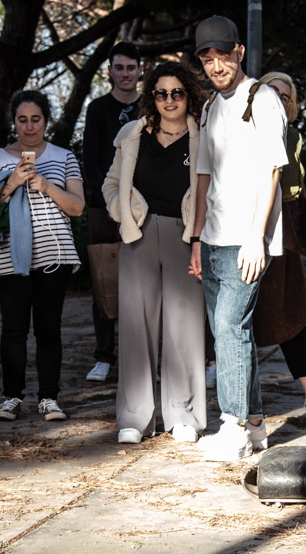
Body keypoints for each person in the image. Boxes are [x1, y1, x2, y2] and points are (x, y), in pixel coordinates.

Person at [189, 16, 288, 462]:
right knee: (229, 334)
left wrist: (256, 237)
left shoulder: (262, 99)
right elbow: (204, 177)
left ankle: (231, 425)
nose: (215, 64)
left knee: (230, 328)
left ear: (240, 52)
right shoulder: (210, 106)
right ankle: (255, 425)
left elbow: (272, 170)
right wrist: (195, 238)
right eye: (207, 58)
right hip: (212, 238)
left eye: (222, 55)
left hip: (246, 239)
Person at [103, 62, 207, 445]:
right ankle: (134, 417)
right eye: (161, 93)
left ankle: (185, 417)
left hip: (185, 237)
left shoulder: (203, 137)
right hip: (138, 235)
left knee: (185, 326)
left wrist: (199, 233)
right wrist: (122, 211)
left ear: (188, 95)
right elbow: (110, 184)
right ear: (152, 96)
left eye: (176, 92)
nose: (169, 100)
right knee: (135, 326)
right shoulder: (132, 135)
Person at [0, 91, 84, 422]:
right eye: (22, 120)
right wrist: (10, 183)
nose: (29, 127)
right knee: (13, 327)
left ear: (46, 121)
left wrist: (46, 185)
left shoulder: (63, 156)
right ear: (14, 122)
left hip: (55, 253)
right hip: (9, 254)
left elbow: (78, 207)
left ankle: (48, 398)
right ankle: (11, 397)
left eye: (35, 119)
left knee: (48, 328)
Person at [254, 72, 306, 424]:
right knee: (231, 314)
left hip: (281, 233)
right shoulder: (244, 129)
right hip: (241, 226)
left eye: (286, 96)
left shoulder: (293, 135)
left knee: (291, 309)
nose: (279, 99)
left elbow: (294, 187)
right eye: (271, 91)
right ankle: (230, 397)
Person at [81, 41, 141, 384]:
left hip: (145, 208)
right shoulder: (97, 109)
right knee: (104, 280)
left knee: (147, 283)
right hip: (104, 207)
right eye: (119, 68)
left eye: (131, 68)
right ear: (110, 71)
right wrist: (112, 202)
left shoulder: (152, 106)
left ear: (139, 70)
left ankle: (143, 355)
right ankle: (104, 356)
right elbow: (90, 161)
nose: (125, 74)